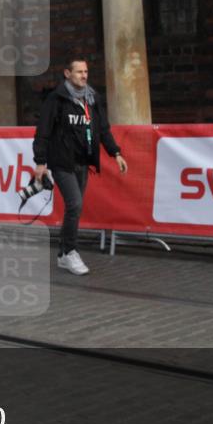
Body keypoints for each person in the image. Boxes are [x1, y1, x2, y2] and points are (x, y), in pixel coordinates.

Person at [32, 58, 127, 275]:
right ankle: (70, 252)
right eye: (78, 72)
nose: (84, 76)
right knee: (74, 204)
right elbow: (43, 132)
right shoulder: (56, 100)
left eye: (86, 72)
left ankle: (63, 254)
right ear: (67, 74)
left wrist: (116, 153)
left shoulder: (92, 99)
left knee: (74, 207)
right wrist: (40, 162)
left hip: (83, 162)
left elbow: (103, 129)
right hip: (62, 162)